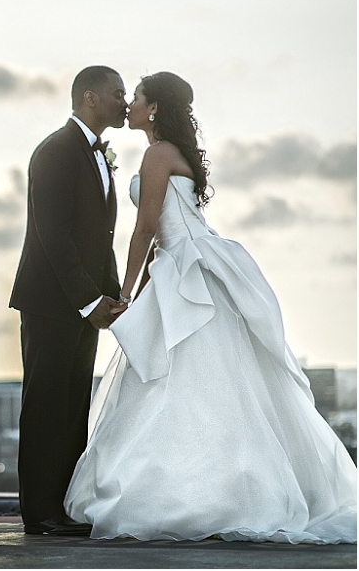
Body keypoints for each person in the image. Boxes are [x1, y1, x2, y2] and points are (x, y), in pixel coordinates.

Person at [64, 71, 357, 544]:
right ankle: (221, 490)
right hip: (189, 265)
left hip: (182, 267)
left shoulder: (158, 154)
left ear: (154, 107)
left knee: (182, 379)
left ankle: (201, 496)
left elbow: (145, 230)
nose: (129, 105)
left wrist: (124, 292)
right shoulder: (170, 152)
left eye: (135, 98)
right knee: (207, 383)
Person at [9, 65, 128, 536]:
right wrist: (87, 299)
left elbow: (101, 237)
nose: (125, 101)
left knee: (72, 405)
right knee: (45, 404)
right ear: (90, 98)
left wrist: (112, 294)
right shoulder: (56, 151)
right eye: (118, 93)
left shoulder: (96, 154)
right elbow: (52, 235)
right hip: (52, 303)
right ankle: (39, 514)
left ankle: (61, 508)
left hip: (83, 305)